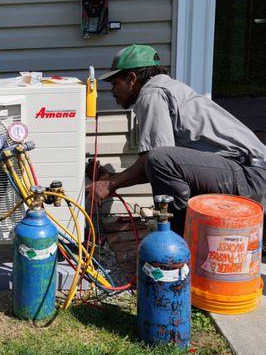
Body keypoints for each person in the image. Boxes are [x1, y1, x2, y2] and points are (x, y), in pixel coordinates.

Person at [87, 44, 266, 236]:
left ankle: (175, 242)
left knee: (160, 159)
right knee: (166, 163)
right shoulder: (169, 88)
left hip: (250, 177)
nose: (113, 91)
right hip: (245, 174)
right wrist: (112, 180)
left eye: (115, 83)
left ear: (131, 79)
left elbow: (155, 161)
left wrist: (111, 184)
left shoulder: (151, 94)